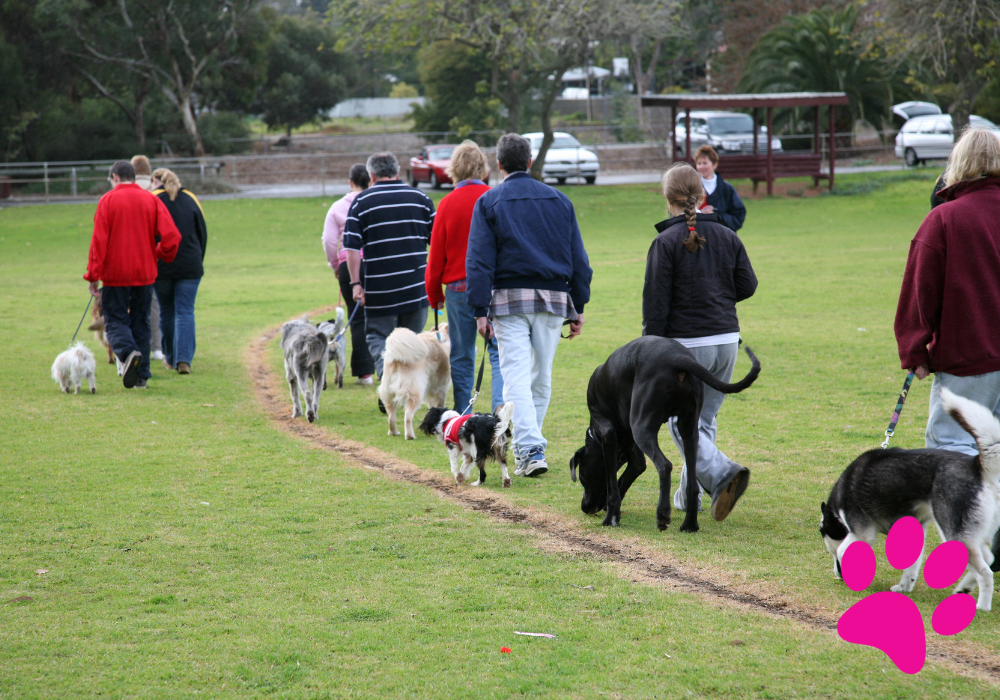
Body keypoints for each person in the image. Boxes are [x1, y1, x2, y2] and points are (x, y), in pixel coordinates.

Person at [466, 133, 592, 477]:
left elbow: (478, 260)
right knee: (540, 377)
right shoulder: (559, 200)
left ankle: (530, 448)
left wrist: (479, 308)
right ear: (531, 161)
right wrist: (578, 305)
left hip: (508, 300)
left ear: (499, 164)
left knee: (516, 376)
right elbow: (579, 259)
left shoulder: (489, 202)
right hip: (552, 299)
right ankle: (530, 447)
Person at [643, 162, 758, 521]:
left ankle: (723, 472)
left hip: (686, 347)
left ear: (668, 199)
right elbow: (748, 285)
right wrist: (717, 298)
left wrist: (651, 351)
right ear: (702, 194)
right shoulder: (727, 234)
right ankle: (687, 491)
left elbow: (656, 305)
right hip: (726, 341)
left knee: (680, 423)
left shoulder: (664, 242)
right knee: (703, 420)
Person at [895, 126, 1000, 454]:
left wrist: (914, 349)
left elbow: (919, 290)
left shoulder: (944, 219)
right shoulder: (944, 219)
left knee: (953, 450)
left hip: (970, 354)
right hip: (976, 352)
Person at [84, 161, 180, 389]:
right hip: (144, 273)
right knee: (141, 322)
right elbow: (172, 237)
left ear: (115, 177)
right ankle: (142, 376)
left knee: (116, 320)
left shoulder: (107, 200)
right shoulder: (151, 199)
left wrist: (93, 275)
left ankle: (128, 354)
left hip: (115, 274)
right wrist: (157, 254)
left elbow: (98, 242)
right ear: (134, 177)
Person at [425, 140, 503, 412]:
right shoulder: (496, 197)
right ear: (483, 168)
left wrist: (434, 293)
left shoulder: (446, 204)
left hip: (458, 290)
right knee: (498, 352)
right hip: (495, 287)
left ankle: (463, 415)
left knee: (462, 354)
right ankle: (499, 413)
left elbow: (436, 256)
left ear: (454, 169)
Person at [344, 152, 435, 385]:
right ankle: (403, 388)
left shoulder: (361, 202)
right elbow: (436, 243)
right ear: (397, 171)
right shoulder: (421, 198)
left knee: (377, 337)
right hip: (415, 287)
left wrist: (355, 284)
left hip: (379, 289)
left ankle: (387, 380)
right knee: (411, 340)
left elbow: (352, 248)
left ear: (371, 175)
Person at [322, 164, 376, 385]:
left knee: (357, 318)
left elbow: (329, 241)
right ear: (370, 181)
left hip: (348, 264)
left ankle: (365, 373)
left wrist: (337, 267)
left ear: (350, 182)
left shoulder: (336, 207)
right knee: (379, 316)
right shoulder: (374, 202)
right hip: (374, 264)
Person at [149, 168, 207, 375]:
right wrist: (198, 260)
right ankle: (184, 360)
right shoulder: (190, 198)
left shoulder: (152, 198)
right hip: (190, 264)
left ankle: (170, 357)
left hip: (161, 264)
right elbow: (202, 232)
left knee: (166, 311)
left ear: (155, 180)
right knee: (185, 311)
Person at [131, 154, 165, 363]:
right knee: (153, 304)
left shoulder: (125, 188)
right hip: (152, 254)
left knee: (128, 303)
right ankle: (156, 347)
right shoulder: (155, 190)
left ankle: (130, 347)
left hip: (129, 255)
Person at [694, 145, 746, 233]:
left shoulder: (727, 189)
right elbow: (679, 215)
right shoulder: (692, 189)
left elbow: (738, 219)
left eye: (705, 163)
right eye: (699, 163)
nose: (701, 167)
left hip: (723, 240)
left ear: (715, 165)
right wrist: (699, 214)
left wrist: (716, 216)